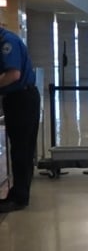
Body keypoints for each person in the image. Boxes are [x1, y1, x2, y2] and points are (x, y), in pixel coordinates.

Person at [0, 26, 41, 213]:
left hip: (21, 99)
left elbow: (13, 75)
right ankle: (19, 192)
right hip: (20, 98)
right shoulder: (7, 40)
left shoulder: (7, 42)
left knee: (21, 149)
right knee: (21, 148)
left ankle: (19, 197)